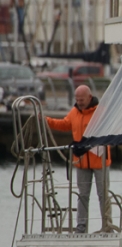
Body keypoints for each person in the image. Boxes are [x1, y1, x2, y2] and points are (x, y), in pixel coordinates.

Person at [46, 85, 112, 233]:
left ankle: (107, 226)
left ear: (89, 98)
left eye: (81, 100)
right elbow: (64, 124)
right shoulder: (74, 112)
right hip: (81, 162)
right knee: (82, 195)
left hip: (100, 161)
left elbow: (111, 129)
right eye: (77, 100)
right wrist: (47, 121)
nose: (79, 102)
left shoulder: (101, 112)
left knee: (103, 195)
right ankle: (81, 228)